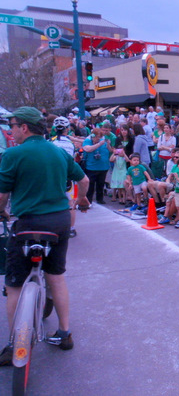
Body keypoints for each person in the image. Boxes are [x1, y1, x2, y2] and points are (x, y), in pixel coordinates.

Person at [0, 107, 90, 359]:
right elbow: (83, 182)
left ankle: (12, 344)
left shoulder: (13, 154)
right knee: (56, 277)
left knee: (14, 284)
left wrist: (1, 212)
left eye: (13, 125)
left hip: (27, 223)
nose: (10, 130)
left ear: (24, 127)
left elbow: (2, 194)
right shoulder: (59, 152)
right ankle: (64, 333)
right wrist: (81, 201)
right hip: (59, 222)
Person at [82, 128, 112, 204]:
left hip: (103, 167)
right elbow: (88, 149)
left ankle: (100, 199)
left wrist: (108, 144)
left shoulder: (103, 140)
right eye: (97, 137)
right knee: (90, 185)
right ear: (93, 136)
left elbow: (110, 150)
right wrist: (98, 144)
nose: (98, 139)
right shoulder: (88, 140)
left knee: (101, 184)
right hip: (91, 167)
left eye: (100, 137)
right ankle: (89, 200)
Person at [158, 158, 179, 229]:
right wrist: (172, 178)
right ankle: (166, 217)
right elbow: (176, 183)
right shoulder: (178, 172)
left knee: (178, 207)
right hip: (177, 191)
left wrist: (177, 178)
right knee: (168, 202)